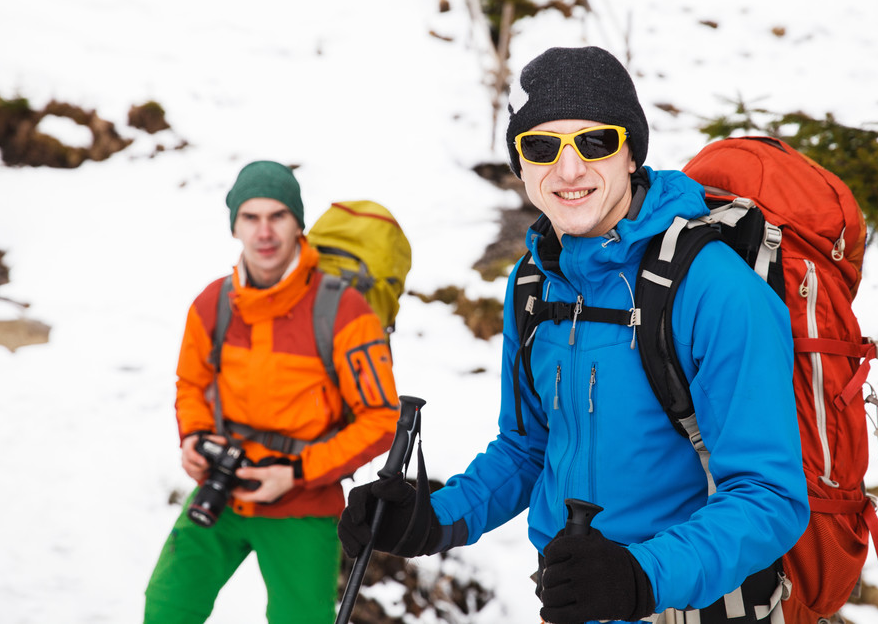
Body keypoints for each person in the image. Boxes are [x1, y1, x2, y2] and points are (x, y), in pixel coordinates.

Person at [338, 46, 810, 624]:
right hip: (570, 604)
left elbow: (770, 496)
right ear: (520, 165)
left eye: (595, 141)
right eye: (541, 146)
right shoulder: (535, 281)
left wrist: (641, 578)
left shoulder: (712, 287)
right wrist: (430, 516)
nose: (568, 170)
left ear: (631, 152)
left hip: (693, 608)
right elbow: (527, 448)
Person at [144, 160, 400, 624]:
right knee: (167, 608)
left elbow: (380, 418)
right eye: (250, 217)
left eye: (277, 216)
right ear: (235, 225)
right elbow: (192, 384)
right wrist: (193, 437)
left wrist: (296, 472)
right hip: (220, 495)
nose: (264, 232)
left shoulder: (345, 312)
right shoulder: (211, 304)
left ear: (298, 223)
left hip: (303, 505)